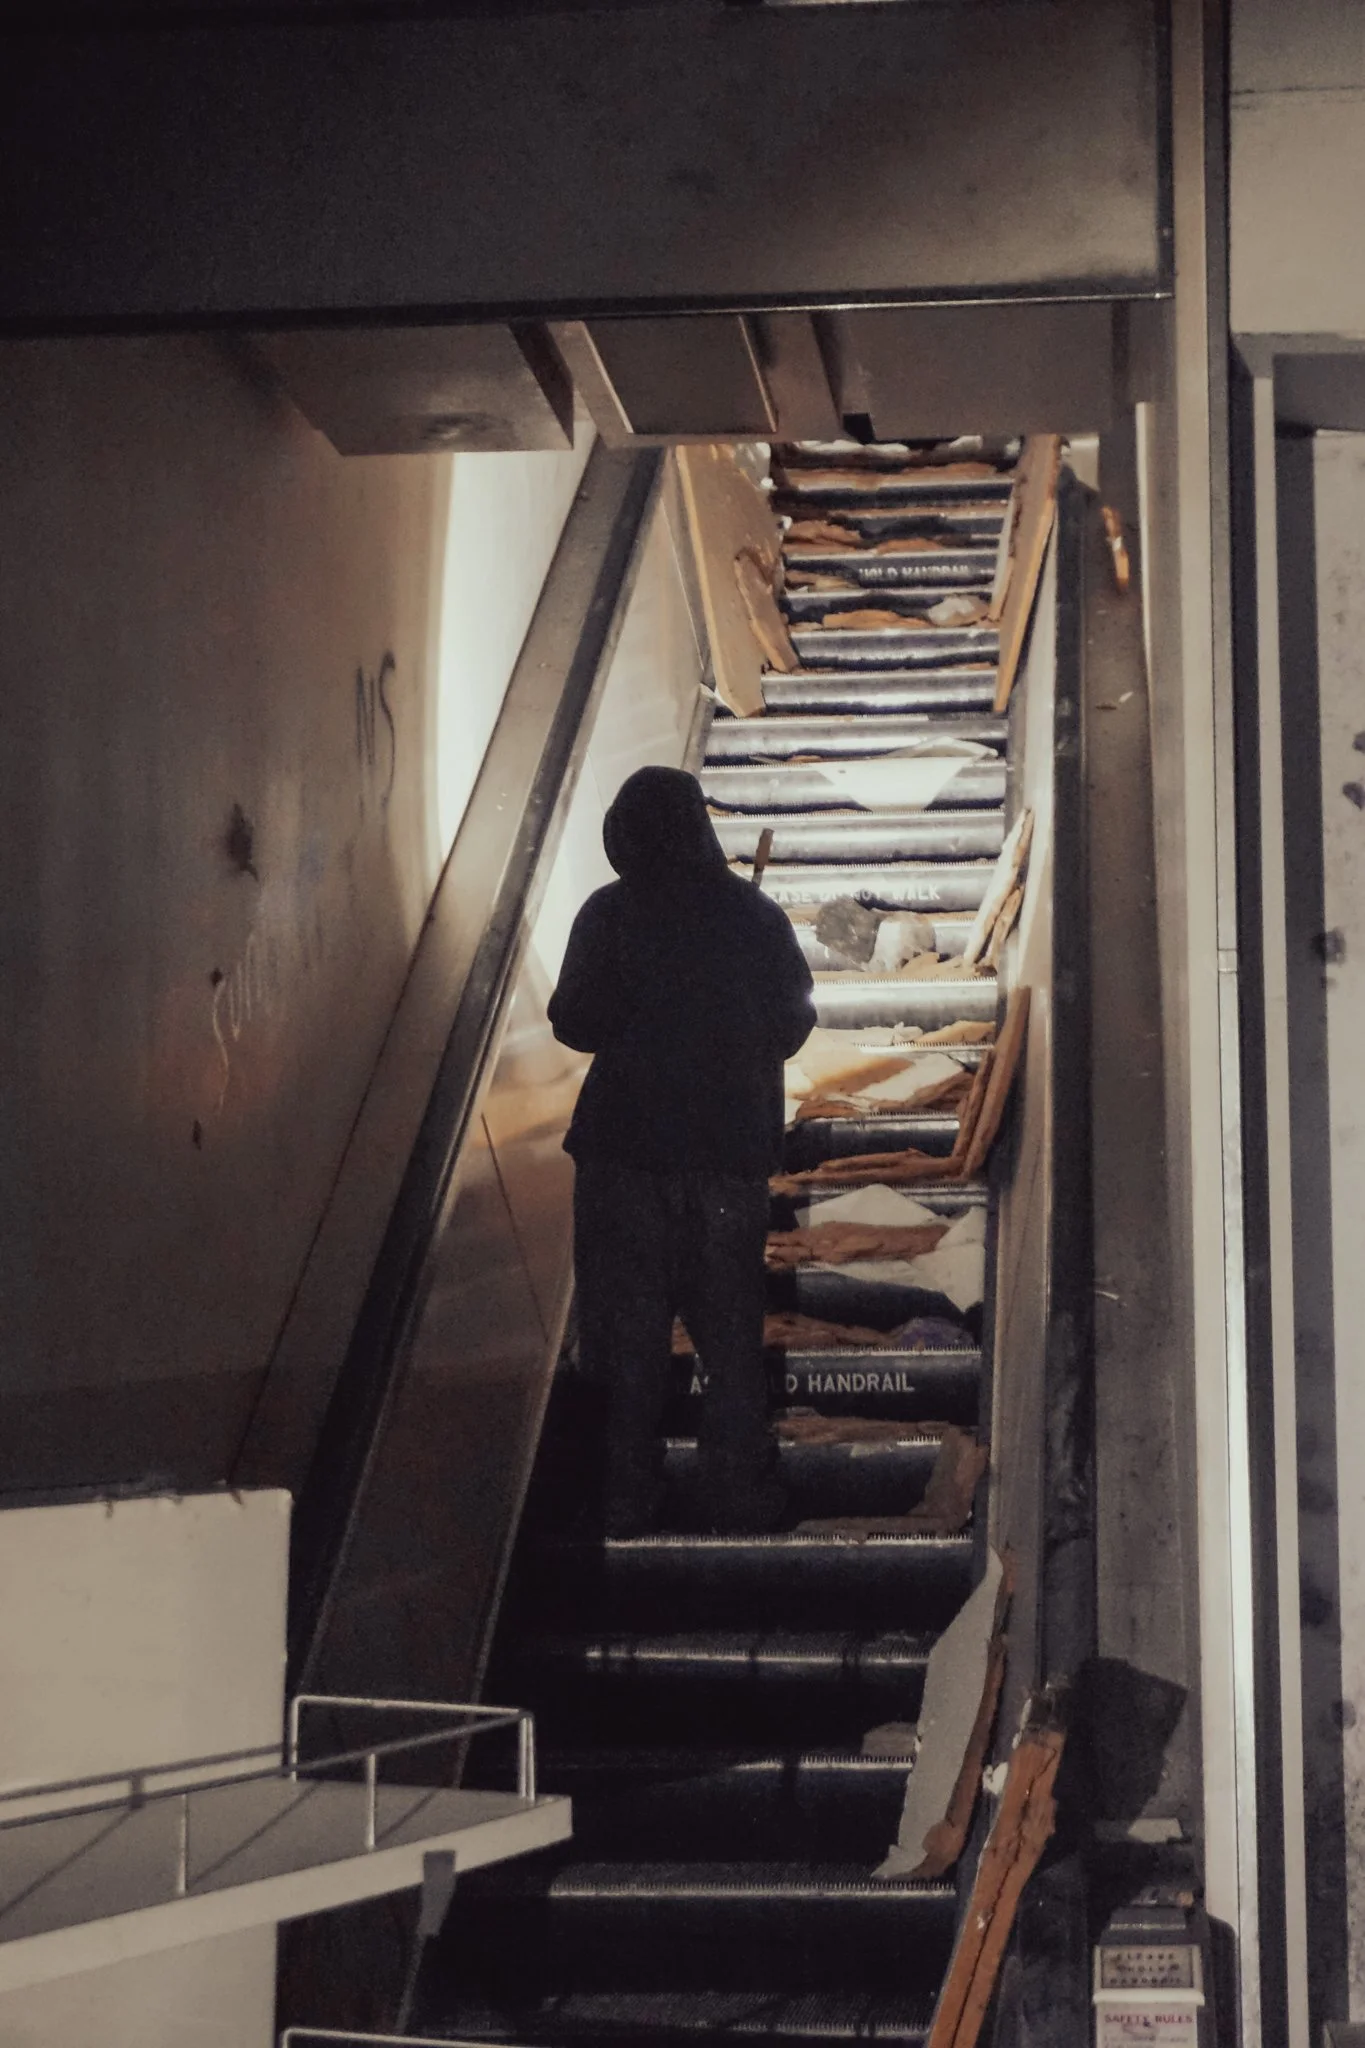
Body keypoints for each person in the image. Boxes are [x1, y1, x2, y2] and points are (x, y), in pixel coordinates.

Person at [548, 765, 816, 1538]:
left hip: (624, 1158)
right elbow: (794, 1024)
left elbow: (574, 1022)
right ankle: (735, 1493)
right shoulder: (753, 916)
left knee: (621, 1341)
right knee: (729, 1338)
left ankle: (622, 1496)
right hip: (727, 1158)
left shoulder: (609, 913)